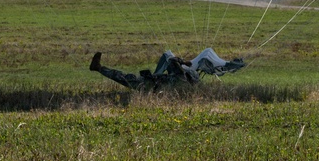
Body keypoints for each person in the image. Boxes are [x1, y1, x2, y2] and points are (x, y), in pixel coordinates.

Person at [90, 48, 245, 90]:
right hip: (155, 84)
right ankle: (98, 68)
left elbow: (172, 63)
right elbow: (174, 66)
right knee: (127, 79)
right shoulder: (183, 79)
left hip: (153, 85)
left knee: (127, 79)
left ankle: (99, 68)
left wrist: (181, 61)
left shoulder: (182, 78)